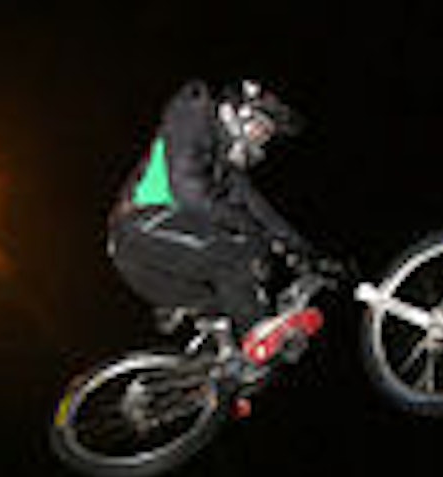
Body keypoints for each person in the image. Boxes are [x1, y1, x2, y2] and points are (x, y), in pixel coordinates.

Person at [107, 78, 335, 365]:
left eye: (266, 137)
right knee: (240, 252)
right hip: (140, 229)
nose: (261, 142)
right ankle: (256, 330)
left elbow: (261, 213)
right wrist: (254, 233)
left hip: (165, 269)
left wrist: (307, 253)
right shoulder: (193, 113)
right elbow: (189, 193)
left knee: (234, 303)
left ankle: (212, 376)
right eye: (261, 130)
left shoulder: (223, 167)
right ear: (240, 113)